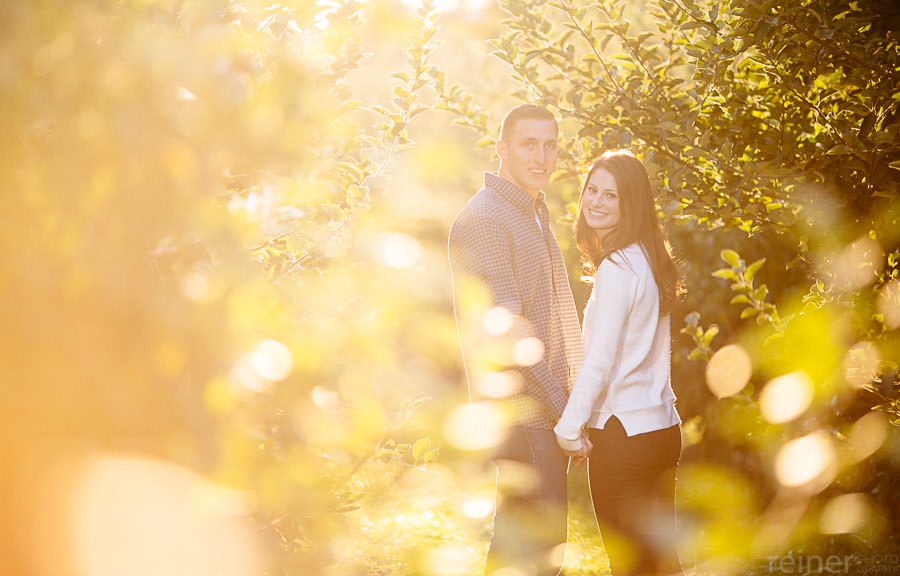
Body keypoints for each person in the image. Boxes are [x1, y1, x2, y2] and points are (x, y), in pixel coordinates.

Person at [448, 104, 585, 576]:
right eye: (529, 144)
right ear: (502, 148)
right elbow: (510, 334)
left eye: (550, 145)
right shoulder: (487, 218)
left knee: (521, 553)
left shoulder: (531, 211)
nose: (541, 156)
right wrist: (566, 410)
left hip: (541, 411)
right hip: (522, 414)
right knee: (539, 554)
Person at [554, 150, 684, 576]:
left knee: (631, 567)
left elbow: (600, 360)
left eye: (610, 195)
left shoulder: (617, 266)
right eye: (592, 190)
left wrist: (569, 429)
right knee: (662, 565)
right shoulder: (650, 257)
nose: (595, 201)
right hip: (661, 431)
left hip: (623, 436)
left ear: (632, 203)